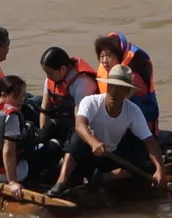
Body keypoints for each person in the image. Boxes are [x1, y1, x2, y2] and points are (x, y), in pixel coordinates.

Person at [55, 63, 163, 193]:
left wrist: (160, 169)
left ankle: (104, 177)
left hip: (111, 156)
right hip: (88, 153)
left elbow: (149, 140)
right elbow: (80, 124)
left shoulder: (133, 111)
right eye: (112, 86)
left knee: (140, 152)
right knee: (77, 137)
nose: (114, 91)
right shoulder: (90, 102)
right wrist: (94, 143)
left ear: (127, 92)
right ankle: (61, 181)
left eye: (120, 87)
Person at [0, 75, 56, 192]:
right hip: (3, 175)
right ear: (3, 95)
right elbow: (8, 151)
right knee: (52, 147)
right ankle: (38, 182)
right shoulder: (10, 116)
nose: (21, 99)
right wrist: (12, 182)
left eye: (23, 95)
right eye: (17, 96)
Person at [92, 31, 162, 135]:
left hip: (141, 120)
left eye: (109, 56)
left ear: (118, 57)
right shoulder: (106, 66)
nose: (104, 61)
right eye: (102, 56)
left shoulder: (132, 75)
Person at [35, 46, 98, 146]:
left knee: (54, 127)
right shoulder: (50, 80)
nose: (48, 76)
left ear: (62, 69)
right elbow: (45, 109)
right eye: (46, 72)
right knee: (32, 104)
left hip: (80, 122)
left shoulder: (82, 83)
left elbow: (80, 121)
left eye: (50, 73)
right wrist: (43, 133)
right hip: (62, 116)